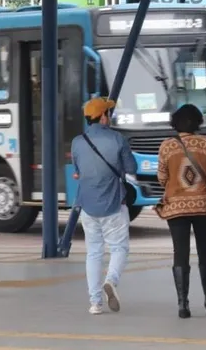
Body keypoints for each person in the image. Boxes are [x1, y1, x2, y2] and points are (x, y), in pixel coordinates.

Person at [155, 104, 206, 319]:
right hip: (204, 207)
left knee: (180, 254)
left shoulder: (167, 146)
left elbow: (161, 178)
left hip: (176, 207)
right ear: (198, 122)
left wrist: (177, 187)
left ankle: (183, 305)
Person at [71, 97, 137, 315]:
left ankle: (95, 303)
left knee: (94, 253)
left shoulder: (77, 142)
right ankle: (111, 280)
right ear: (102, 117)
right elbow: (131, 168)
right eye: (107, 113)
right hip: (114, 205)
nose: (110, 116)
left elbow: (78, 170)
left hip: (87, 206)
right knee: (119, 248)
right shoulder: (118, 139)